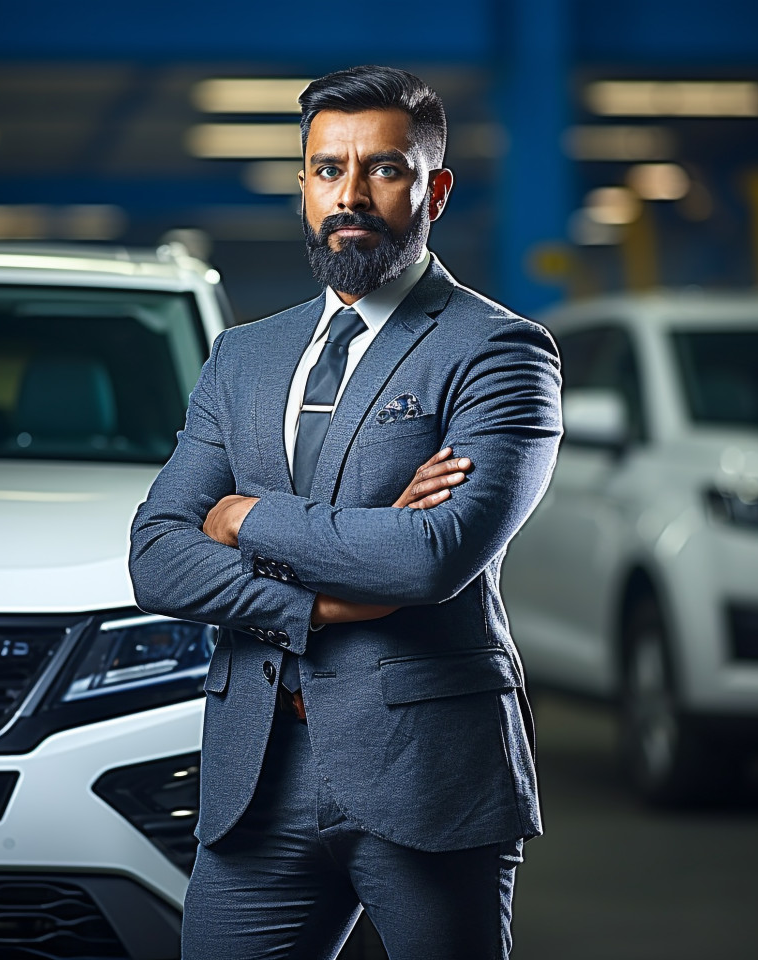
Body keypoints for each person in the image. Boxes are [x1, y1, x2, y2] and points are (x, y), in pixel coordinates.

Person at [129, 65, 562, 960]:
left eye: (386, 169)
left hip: (426, 774)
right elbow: (156, 555)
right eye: (328, 170)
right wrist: (322, 602)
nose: (352, 194)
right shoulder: (244, 357)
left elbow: (430, 557)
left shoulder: (500, 352)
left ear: (434, 188)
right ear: (303, 185)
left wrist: (244, 517)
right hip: (257, 778)